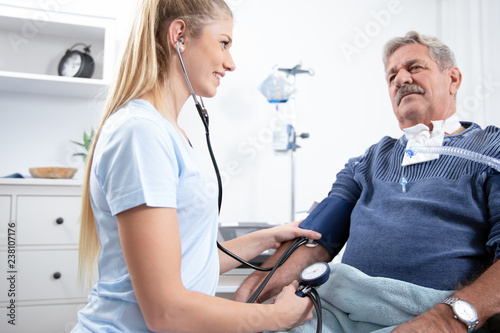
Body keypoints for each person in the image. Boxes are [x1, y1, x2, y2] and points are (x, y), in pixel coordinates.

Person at [71, 0, 322, 332]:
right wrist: (277, 317)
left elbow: (190, 264)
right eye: (224, 43)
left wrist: (269, 236)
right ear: (180, 35)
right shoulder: (141, 133)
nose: (230, 63)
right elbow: (166, 310)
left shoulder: (167, 132)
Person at [233, 31, 500, 332]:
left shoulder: (492, 150)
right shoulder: (369, 161)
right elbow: (316, 237)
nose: (400, 79)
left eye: (414, 68)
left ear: (453, 79)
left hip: (433, 314)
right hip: (340, 308)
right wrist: (256, 285)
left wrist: (447, 319)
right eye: (391, 76)